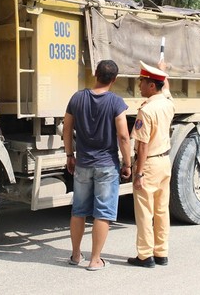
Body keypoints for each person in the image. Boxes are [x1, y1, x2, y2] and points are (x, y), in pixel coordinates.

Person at [64, 59, 132, 271]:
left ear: (95, 74)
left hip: (83, 163)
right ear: (114, 79)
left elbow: (67, 129)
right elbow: (123, 136)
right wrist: (128, 163)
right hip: (106, 165)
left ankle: (76, 255)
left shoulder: (77, 98)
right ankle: (95, 260)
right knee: (102, 212)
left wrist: (69, 155)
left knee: (79, 210)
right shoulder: (116, 103)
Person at [127, 60, 175, 268]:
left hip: (149, 164)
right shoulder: (167, 103)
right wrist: (163, 72)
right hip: (164, 161)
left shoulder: (146, 111)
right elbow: (167, 90)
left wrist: (138, 174)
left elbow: (143, 145)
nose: (139, 85)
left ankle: (145, 255)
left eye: (142, 82)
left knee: (145, 211)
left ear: (152, 86)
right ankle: (161, 252)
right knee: (162, 210)